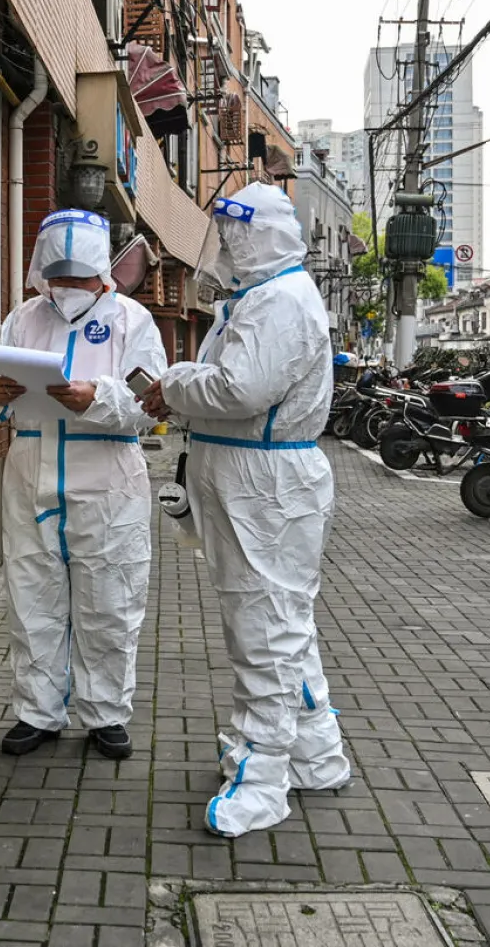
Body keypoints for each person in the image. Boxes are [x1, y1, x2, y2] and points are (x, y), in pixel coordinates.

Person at [142, 181, 350, 837]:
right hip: (253, 479)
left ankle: (260, 779)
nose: (225, 249)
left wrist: (172, 385)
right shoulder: (264, 299)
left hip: (264, 483)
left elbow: (242, 387)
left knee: (264, 629)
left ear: (253, 235)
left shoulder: (279, 301)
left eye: (232, 236)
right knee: (283, 624)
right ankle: (316, 753)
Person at [0, 210, 167, 760]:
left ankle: (105, 715)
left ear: (102, 274)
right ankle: (38, 712)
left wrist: (96, 398)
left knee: (110, 601)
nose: (69, 290)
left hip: (106, 479)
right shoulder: (24, 318)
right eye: (59, 279)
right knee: (32, 598)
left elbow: (149, 404)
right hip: (30, 473)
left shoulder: (133, 321)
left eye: (80, 279)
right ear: (43, 273)